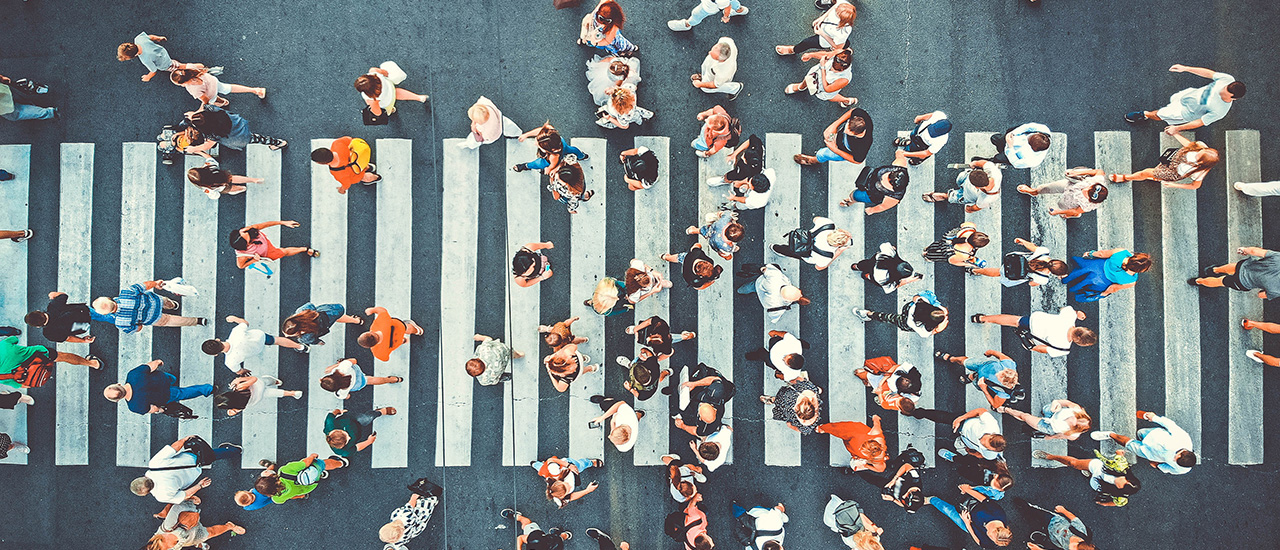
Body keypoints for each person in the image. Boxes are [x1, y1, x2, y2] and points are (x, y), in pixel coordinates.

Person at [1125, 64, 1244, 132]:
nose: (1222, 89)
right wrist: (1186, 68)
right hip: (1188, 95)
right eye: (1225, 87)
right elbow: (1209, 74)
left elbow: (1200, 122)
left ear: (1233, 98)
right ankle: (1151, 114)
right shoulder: (1228, 80)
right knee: (1172, 100)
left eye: (1226, 92)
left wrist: (1178, 128)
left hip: (1184, 112)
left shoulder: (1220, 111)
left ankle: (1145, 114)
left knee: (1159, 115)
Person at [131, 435, 242, 503]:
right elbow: (173, 448)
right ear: (142, 477)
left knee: (211, 457)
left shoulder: (162, 496)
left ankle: (232, 451)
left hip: (195, 472)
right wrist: (185, 439)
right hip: (190, 457)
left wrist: (200, 485)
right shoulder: (154, 465)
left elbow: (185, 494)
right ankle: (235, 450)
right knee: (212, 454)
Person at [1091, 410, 1196, 474]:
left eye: (1175, 460)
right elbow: (1170, 425)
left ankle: (1110, 434)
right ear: (1184, 451)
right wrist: (1154, 417)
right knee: (1140, 433)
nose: (1173, 458)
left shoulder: (1183, 469)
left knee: (1128, 444)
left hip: (1149, 453)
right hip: (1153, 435)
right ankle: (1116, 435)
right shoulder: (1183, 438)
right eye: (1176, 456)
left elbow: (1169, 469)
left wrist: (1158, 465)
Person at [1110, 132, 1219, 190]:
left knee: (1146, 172)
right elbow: (1189, 145)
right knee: (1154, 173)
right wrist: (1175, 134)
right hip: (1170, 160)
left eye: (1198, 155)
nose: (1197, 152)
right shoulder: (1201, 147)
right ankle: (1154, 177)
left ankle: (1125, 178)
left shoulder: (1199, 172)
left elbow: (1195, 186)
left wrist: (1174, 186)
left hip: (1171, 173)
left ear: (1200, 163)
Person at [971, 307, 1096, 357]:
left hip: (1035, 320)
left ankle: (982, 318)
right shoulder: (1063, 349)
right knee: (1016, 324)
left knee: (1014, 320)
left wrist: (1076, 313)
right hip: (1034, 333)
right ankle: (983, 319)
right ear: (1080, 342)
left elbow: (1064, 309)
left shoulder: (1069, 317)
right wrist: (1031, 348)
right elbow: (1042, 349)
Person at [1031, 451, 1140, 508]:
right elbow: (1119, 454)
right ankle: (1050, 456)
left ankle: (1089, 474)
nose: (1121, 481)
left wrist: (1104, 504)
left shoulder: (1121, 498)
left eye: (1122, 485)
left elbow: (1117, 503)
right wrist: (1120, 453)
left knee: (1090, 479)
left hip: (1096, 482)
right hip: (1099, 468)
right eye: (1126, 479)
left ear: (1121, 490)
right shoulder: (1122, 467)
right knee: (1073, 463)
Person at [203, 315, 306, 375]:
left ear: (215, 354)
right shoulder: (235, 332)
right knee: (277, 340)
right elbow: (245, 323)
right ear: (217, 340)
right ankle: (300, 346)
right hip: (259, 337)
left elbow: (239, 371)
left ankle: (300, 347)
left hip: (256, 350)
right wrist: (234, 318)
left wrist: (244, 371)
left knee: (275, 341)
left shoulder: (230, 362)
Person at [104, 359, 211, 416]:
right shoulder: (133, 375)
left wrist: (161, 410)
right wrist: (158, 362)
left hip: (166, 396)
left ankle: (207, 389)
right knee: (171, 378)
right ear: (118, 384)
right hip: (163, 379)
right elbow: (152, 365)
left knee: (184, 393)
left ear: (118, 400)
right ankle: (174, 379)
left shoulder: (134, 407)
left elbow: (154, 409)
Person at [93, 280, 206, 333]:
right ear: (109, 299)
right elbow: (145, 286)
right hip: (155, 301)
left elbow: (138, 328)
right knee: (165, 302)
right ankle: (173, 305)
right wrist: (156, 283)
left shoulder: (120, 323)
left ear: (107, 313)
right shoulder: (126, 293)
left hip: (153, 318)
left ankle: (198, 321)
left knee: (172, 320)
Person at [0, 333, 100, 390]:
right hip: (42, 355)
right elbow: (14, 339)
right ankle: (92, 363)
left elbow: (25, 385)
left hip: (36, 374)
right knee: (64, 357)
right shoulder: (3, 345)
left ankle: (92, 363)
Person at [925, 487, 1013, 548]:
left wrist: (967, 524)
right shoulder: (998, 513)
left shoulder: (991, 544)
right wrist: (967, 490)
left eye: (991, 538)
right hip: (974, 507)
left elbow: (979, 541)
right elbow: (984, 500)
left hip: (969, 525)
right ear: (998, 528)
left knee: (948, 511)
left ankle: (932, 499)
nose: (987, 534)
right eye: (990, 534)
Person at [144, 497, 245, 550]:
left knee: (210, 532)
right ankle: (229, 526)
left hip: (187, 523)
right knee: (211, 532)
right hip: (191, 538)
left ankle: (187, 499)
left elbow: (177, 508)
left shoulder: (166, 528)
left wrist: (190, 504)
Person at [180, 104, 287, 154]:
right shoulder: (211, 110)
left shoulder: (210, 134)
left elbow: (209, 145)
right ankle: (278, 143)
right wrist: (194, 115)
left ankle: (279, 143)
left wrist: (193, 149)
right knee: (256, 137)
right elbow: (205, 109)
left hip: (237, 137)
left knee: (256, 139)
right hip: (237, 123)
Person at [912, 407, 1006, 461]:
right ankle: (920, 413)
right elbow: (980, 411)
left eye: (986, 446)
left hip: (964, 440)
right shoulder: (990, 424)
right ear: (992, 434)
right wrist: (960, 418)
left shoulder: (991, 454)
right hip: (964, 423)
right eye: (985, 440)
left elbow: (982, 455)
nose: (981, 442)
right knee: (942, 417)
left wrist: (972, 453)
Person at [937, 350, 1022, 409]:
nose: (996, 373)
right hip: (983, 364)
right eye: (999, 372)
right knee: (966, 361)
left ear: (1004, 384)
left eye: (998, 377)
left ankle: (972, 376)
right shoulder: (1009, 364)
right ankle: (951, 359)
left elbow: (995, 405)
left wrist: (984, 389)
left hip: (983, 382)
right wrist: (991, 352)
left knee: (976, 379)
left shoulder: (1005, 393)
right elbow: (1000, 355)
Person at [794, 107, 873, 170]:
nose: (845, 130)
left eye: (848, 131)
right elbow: (853, 111)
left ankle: (813, 161)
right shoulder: (861, 116)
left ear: (854, 134)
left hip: (842, 151)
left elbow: (857, 161)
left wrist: (834, 149)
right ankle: (830, 143)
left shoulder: (863, 145)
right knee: (829, 137)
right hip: (839, 140)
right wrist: (834, 126)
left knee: (823, 153)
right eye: (848, 124)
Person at [969, 238, 1069, 287]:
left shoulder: (1044, 252)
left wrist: (1022, 241)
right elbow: (1031, 283)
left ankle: (976, 270)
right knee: (998, 273)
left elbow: (1032, 247)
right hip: (1015, 273)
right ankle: (976, 271)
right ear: (1054, 273)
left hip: (1015, 260)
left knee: (998, 270)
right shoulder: (1043, 279)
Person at [673, 363, 736, 438]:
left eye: (700, 406)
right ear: (713, 408)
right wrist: (694, 384)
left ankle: (674, 392)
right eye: (703, 404)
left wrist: (683, 426)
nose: (701, 404)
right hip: (705, 389)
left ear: (700, 418)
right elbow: (715, 379)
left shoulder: (708, 428)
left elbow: (696, 431)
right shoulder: (716, 393)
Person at [1190, 246, 1280, 299]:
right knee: (1220, 282)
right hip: (1242, 283)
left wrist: (1245, 249)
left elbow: (1254, 251)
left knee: (1232, 267)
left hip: (1244, 266)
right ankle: (1198, 281)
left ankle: (1214, 270)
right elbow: (1260, 295)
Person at [257, 453, 348, 505]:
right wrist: (312, 456)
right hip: (307, 472)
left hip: (309, 486)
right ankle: (341, 463)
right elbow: (305, 463)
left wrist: (301, 496)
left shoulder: (276, 499)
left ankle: (320, 475)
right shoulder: (284, 471)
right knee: (321, 464)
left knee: (313, 476)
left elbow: (291, 497)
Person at [117, 32, 210, 82]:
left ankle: (199, 67)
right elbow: (150, 37)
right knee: (176, 64)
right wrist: (159, 38)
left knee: (180, 66)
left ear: (133, 56)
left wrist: (147, 77)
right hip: (161, 51)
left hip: (165, 62)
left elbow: (153, 71)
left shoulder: (145, 59)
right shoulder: (138, 39)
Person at [839, 150, 910, 215]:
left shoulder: (895, 197)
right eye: (889, 175)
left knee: (855, 195)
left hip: (871, 194)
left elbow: (883, 207)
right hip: (869, 178)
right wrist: (906, 153)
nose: (883, 178)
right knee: (855, 193)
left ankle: (851, 201)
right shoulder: (900, 165)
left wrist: (872, 210)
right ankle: (851, 200)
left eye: (889, 182)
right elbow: (899, 152)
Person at [856, 448, 925, 513]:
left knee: (873, 480)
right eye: (907, 495)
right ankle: (880, 462)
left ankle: (857, 471)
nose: (903, 497)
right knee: (893, 465)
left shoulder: (908, 502)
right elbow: (906, 466)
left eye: (905, 500)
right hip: (899, 473)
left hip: (893, 486)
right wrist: (894, 480)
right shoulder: (915, 478)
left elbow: (902, 504)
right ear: (915, 490)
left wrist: (892, 499)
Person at [380, 478, 443, 550]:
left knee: (426, 514)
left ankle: (434, 502)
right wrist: (414, 496)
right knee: (425, 505)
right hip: (418, 513)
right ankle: (434, 500)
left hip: (417, 527)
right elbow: (410, 505)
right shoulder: (398, 516)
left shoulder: (401, 538)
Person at [854, 291, 949, 338]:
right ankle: (869, 315)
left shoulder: (923, 303)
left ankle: (868, 314)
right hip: (905, 323)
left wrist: (939, 308)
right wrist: (938, 329)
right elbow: (928, 333)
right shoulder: (925, 329)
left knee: (889, 317)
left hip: (908, 309)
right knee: (889, 318)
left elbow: (916, 298)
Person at [776, 0, 857, 54]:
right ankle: (845, 49)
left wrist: (821, 33)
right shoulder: (844, 5)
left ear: (841, 19)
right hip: (824, 26)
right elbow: (835, 7)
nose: (835, 10)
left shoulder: (842, 33)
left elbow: (837, 46)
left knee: (806, 43)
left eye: (837, 12)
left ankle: (792, 50)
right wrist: (821, 19)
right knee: (844, 42)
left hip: (824, 39)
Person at [738, 263, 810, 324]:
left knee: (748, 287)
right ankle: (740, 291)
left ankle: (740, 290)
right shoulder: (779, 305)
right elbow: (774, 316)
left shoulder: (776, 277)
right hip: (764, 298)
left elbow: (765, 269)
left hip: (759, 284)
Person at [772, 216, 852, 271]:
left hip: (803, 238)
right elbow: (819, 267)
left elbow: (815, 219)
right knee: (793, 252)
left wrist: (842, 232)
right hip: (805, 252)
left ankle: (776, 248)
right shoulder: (826, 256)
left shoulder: (828, 225)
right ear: (838, 245)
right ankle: (777, 249)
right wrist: (838, 252)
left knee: (789, 247)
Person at [229, 221, 317, 270]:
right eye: (249, 241)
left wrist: (284, 223)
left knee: (283, 251)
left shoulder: (245, 231)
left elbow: (265, 224)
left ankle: (305, 250)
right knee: (284, 252)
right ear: (245, 246)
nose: (252, 237)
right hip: (267, 252)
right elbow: (240, 266)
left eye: (248, 234)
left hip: (264, 242)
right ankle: (305, 249)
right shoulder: (242, 255)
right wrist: (253, 260)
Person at [26, 291, 108, 344]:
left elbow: (68, 338)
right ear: (39, 311)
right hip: (85, 312)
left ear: (38, 326)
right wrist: (52, 295)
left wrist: (83, 340)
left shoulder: (48, 334)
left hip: (82, 327)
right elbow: (64, 295)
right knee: (103, 315)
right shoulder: (53, 306)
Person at [1068, 248, 1152, 300]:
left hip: (1096, 265)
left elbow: (1102, 254)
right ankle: (1075, 287)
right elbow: (1113, 288)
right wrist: (1103, 294)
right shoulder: (1131, 281)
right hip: (1100, 281)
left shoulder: (1122, 252)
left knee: (1085, 267)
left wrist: (1090, 253)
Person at [784, 48, 856, 106]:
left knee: (830, 97)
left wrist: (823, 68)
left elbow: (827, 89)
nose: (832, 69)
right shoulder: (839, 53)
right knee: (808, 78)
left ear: (844, 69)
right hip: (817, 73)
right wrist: (811, 55)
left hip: (824, 86)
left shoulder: (844, 79)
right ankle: (801, 87)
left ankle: (846, 100)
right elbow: (826, 55)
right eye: (833, 66)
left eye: (836, 70)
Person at [355, 61, 428, 118]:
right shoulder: (374, 73)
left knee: (386, 109)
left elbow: (378, 113)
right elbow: (385, 73)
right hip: (390, 88)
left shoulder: (371, 99)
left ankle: (391, 110)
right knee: (397, 92)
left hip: (388, 101)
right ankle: (419, 98)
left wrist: (371, 108)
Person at [1015, 500, 1096, 550]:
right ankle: (1028, 507)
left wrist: (1038, 549)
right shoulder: (1081, 532)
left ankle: (1042, 536)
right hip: (1054, 520)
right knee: (1036, 512)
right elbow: (1074, 519)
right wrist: (1063, 511)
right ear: (1092, 546)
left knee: (1033, 522)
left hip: (1053, 537)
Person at [925, 158, 1000, 212]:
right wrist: (974, 163)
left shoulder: (987, 199)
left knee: (955, 196)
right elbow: (984, 163)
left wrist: (969, 209)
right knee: (961, 178)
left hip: (968, 195)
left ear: (977, 187)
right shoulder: (995, 172)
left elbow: (975, 207)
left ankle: (945, 196)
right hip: (966, 182)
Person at [312, 136, 380, 194]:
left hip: (356, 173)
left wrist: (342, 189)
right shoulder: (337, 144)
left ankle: (375, 177)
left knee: (363, 176)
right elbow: (349, 139)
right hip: (357, 158)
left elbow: (346, 184)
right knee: (361, 165)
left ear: (323, 163)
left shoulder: (337, 173)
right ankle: (368, 167)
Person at [512, 122, 590, 172]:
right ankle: (582, 156)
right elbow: (541, 131)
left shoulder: (553, 156)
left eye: (539, 145)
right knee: (571, 149)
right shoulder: (549, 132)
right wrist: (526, 135)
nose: (535, 144)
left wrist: (548, 170)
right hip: (562, 143)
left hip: (551, 158)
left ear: (550, 150)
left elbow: (552, 165)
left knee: (538, 163)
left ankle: (526, 166)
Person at [818, 416, 887, 472]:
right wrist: (876, 418)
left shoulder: (877, 459)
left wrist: (866, 466)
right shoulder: (877, 435)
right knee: (841, 428)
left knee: (842, 431)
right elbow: (876, 424)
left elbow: (881, 469)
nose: (860, 448)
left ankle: (824, 428)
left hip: (855, 441)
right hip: (857, 433)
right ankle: (825, 428)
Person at [855, 357, 921, 414]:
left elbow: (884, 403)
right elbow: (897, 366)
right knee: (867, 374)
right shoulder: (914, 374)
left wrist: (880, 392)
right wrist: (886, 377)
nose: (905, 381)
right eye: (905, 380)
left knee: (859, 373)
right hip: (887, 375)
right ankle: (868, 381)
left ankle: (867, 378)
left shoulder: (897, 400)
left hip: (886, 387)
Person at [999, 399, 1090, 440]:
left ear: (1074, 428)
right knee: (1045, 409)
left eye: (1073, 421)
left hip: (1048, 425)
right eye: (1076, 417)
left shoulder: (1073, 435)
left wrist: (1051, 437)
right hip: (1053, 412)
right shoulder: (1076, 409)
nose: (1072, 417)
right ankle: (1007, 410)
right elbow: (1063, 402)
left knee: (1025, 417)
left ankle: (1006, 410)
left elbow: (1060, 435)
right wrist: (1056, 404)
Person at [280, 302, 362, 347]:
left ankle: (355, 321)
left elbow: (313, 340)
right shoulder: (302, 310)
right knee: (337, 316)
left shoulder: (304, 337)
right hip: (327, 312)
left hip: (326, 324)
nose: (286, 336)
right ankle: (356, 320)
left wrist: (319, 342)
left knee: (336, 319)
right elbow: (310, 305)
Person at [169, 67, 264, 106]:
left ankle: (223, 102)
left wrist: (203, 107)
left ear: (183, 83)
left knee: (213, 100)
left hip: (211, 94)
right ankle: (255, 90)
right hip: (214, 82)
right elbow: (201, 66)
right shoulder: (192, 70)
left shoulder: (192, 89)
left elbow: (205, 99)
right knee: (229, 88)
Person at [214, 375, 302, 416]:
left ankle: (293, 393)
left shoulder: (238, 406)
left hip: (257, 397)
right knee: (266, 380)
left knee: (273, 393)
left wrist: (231, 411)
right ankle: (276, 382)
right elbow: (254, 379)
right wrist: (240, 379)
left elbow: (232, 412)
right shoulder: (239, 388)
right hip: (258, 386)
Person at [359, 306, 425, 361]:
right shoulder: (380, 324)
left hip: (395, 342)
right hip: (399, 327)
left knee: (396, 341)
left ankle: (404, 340)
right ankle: (418, 331)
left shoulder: (377, 353)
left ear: (371, 346)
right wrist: (372, 310)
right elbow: (382, 310)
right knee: (407, 328)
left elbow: (386, 359)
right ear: (370, 332)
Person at [326, 406, 395, 457]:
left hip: (351, 418)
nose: (350, 438)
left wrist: (340, 411)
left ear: (338, 430)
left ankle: (381, 411)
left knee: (366, 419)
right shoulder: (342, 451)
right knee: (365, 423)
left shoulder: (330, 424)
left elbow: (333, 413)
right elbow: (357, 447)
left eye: (347, 435)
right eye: (347, 441)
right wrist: (369, 441)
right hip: (357, 433)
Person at [320, 358, 403, 399]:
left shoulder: (340, 392)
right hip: (356, 372)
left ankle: (392, 380)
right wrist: (337, 365)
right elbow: (354, 360)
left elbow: (347, 396)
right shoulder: (341, 369)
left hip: (357, 384)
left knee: (370, 381)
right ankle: (392, 379)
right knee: (348, 363)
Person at [853, 242, 920, 293]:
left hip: (876, 262)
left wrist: (892, 248)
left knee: (865, 264)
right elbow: (888, 290)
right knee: (868, 276)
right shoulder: (885, 277)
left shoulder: (889, 256)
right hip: (875, 276)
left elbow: (883, 245)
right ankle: (864, 275)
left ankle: (858, 266)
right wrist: (908, 280)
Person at [923, 221, 990, 269]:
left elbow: (963, 224)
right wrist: (968, 264)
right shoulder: (964, 254)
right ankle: (927, 256)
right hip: (947, 250)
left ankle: (927, 249)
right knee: (936, 255)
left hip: (947, 240)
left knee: (937, 244)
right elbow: (952, 261)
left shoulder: (970, 228)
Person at [186, 157, 264, 198]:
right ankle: (254, 180)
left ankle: (242, 188)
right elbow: (211, 160)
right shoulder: (209, 166)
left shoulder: (206, 188)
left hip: (221, 187)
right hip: (223, 176)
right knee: (234, 178)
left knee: (232, 189)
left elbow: (215, 196)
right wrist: (200, 152)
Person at [983, 123, 1052, 169]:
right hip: (1011, 137)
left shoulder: (1032, 161)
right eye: (1029, 136)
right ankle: (1000, 148)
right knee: (995, 138)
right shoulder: (1043, 129)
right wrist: (1013, 133)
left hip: (1010, 153)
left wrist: (1010, 147)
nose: (1026, 138)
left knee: (998, 158)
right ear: (1038, 133)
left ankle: (989, 162)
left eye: (1028, 142)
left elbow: (1016, 163)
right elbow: (1026, 127)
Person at [628, 315, 694, 361]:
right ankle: (689, 336)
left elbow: (670, 352)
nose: (647, 338)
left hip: (666, 340)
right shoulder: (661, 326)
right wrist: (636, 329)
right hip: (665, 337)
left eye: (649, 341)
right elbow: (649, 321)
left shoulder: (665, 346)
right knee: (674, 338)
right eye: (651, 336)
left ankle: (688, 336)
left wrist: (651, 359)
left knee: (673, 338)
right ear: (656, 334)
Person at [668, 0, 749, 31]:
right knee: (732, 1)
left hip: (709, 7)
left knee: (696, 14)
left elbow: (727, 6)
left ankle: (687, 24)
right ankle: (739, 9)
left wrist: (726, 17)